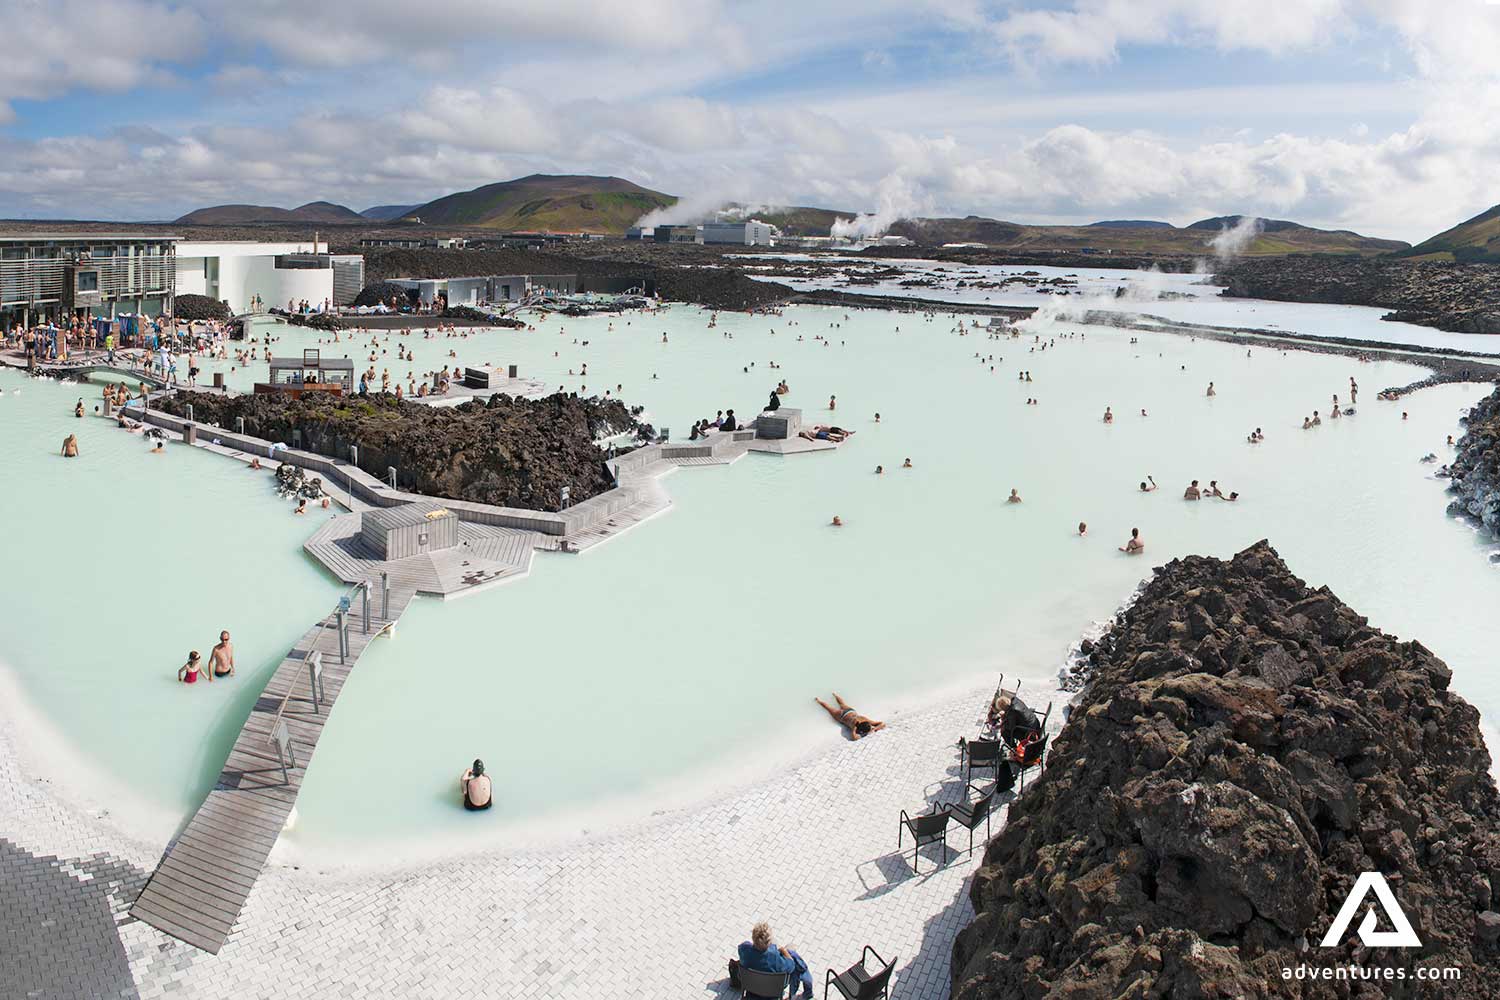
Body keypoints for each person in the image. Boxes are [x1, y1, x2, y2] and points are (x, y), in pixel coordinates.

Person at [734, 922, 813, 1000]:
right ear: (769, 942)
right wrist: (783, 949)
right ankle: (804, 993)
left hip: (751, 988)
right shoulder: (776, 959)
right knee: (792, 951)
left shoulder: (744, 950)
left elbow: (744, 946)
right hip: (773, 993)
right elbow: (792, 966)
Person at [815, 694, 885, 740]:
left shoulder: (865, 720)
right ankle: (818, 701)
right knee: (828, 708)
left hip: (850, 711)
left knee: (842, 703)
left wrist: (873, 729)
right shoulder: (855, 727)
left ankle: (834, 694)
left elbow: (882, 723)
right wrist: (873, 730)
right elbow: (854, 738)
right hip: (842, 716)